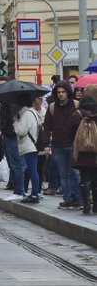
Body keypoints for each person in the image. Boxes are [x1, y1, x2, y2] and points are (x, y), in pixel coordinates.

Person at [41, 80, 82, 209]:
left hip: (72, 144)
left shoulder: (75, 105)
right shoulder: (52, 107)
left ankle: (79, 198)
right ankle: (68, 198)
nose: (60, 94)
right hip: (58, 145)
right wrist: (46, 144)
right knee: (63, 174)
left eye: (63, 92)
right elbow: (47, 127)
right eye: (58, 92)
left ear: (68, 92)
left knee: (75, 173)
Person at [13, 94, 42, 204]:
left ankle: (35, 194)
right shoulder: (33, 112)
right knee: (33, 170)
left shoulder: (26, 114)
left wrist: (16, 122)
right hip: (34, 145)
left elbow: (21, 131)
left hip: (29, 146)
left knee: (32, 170)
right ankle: (35, 193)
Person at [74, 88, 97, 215]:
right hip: (95, 153)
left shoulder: (77, 115)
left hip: (82, 153)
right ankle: (96, 206)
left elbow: (70, 133)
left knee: (84, 179)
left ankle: (86, 205)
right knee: (95, 179)